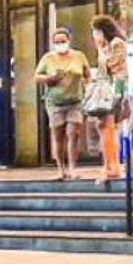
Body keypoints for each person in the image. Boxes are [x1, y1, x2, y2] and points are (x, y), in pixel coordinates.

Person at [34, 26, 93, 179]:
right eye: (57, 42)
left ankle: (73, 169)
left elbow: (87, 74)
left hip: (75, 101)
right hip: (55, 103)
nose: (60, 44)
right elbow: (37, 77)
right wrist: (50, 79)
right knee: (58, 136)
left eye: (63, 41)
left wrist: (89, 88)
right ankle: (60, 169)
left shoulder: (79, 56)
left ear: (69, 40)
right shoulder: (48, 58)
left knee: (74, 134)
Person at [89, 14, 130, 186]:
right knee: (104, 127)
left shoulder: (116, 43)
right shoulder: (107, 46)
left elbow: (113, 66)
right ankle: (109, 165)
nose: (94, 35)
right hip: (108, 90)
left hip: (114, 90)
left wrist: (101, 50)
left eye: (96, 31)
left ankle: (112, 168)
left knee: (108, 127)